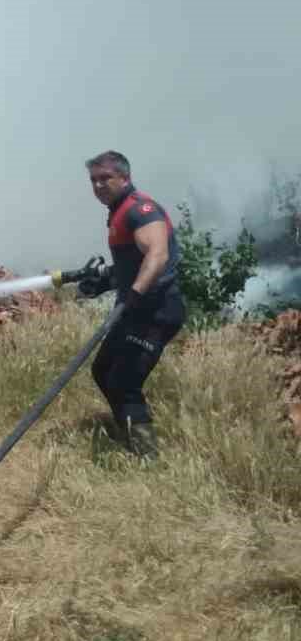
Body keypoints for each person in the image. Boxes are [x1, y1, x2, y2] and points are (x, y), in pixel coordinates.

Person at [76, 150, 184, 459]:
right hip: (133, 309)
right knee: (103, 369)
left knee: (124, 381)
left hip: (156, 311)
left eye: (105, 178)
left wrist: (134, 294)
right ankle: (126, 430)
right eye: (93, 180)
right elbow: (131, 263)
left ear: (125, 178)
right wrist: (106, 282)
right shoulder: (118, 211)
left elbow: (158, 255)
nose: (98, 185)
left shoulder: (141, 210)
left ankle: (147, 456)